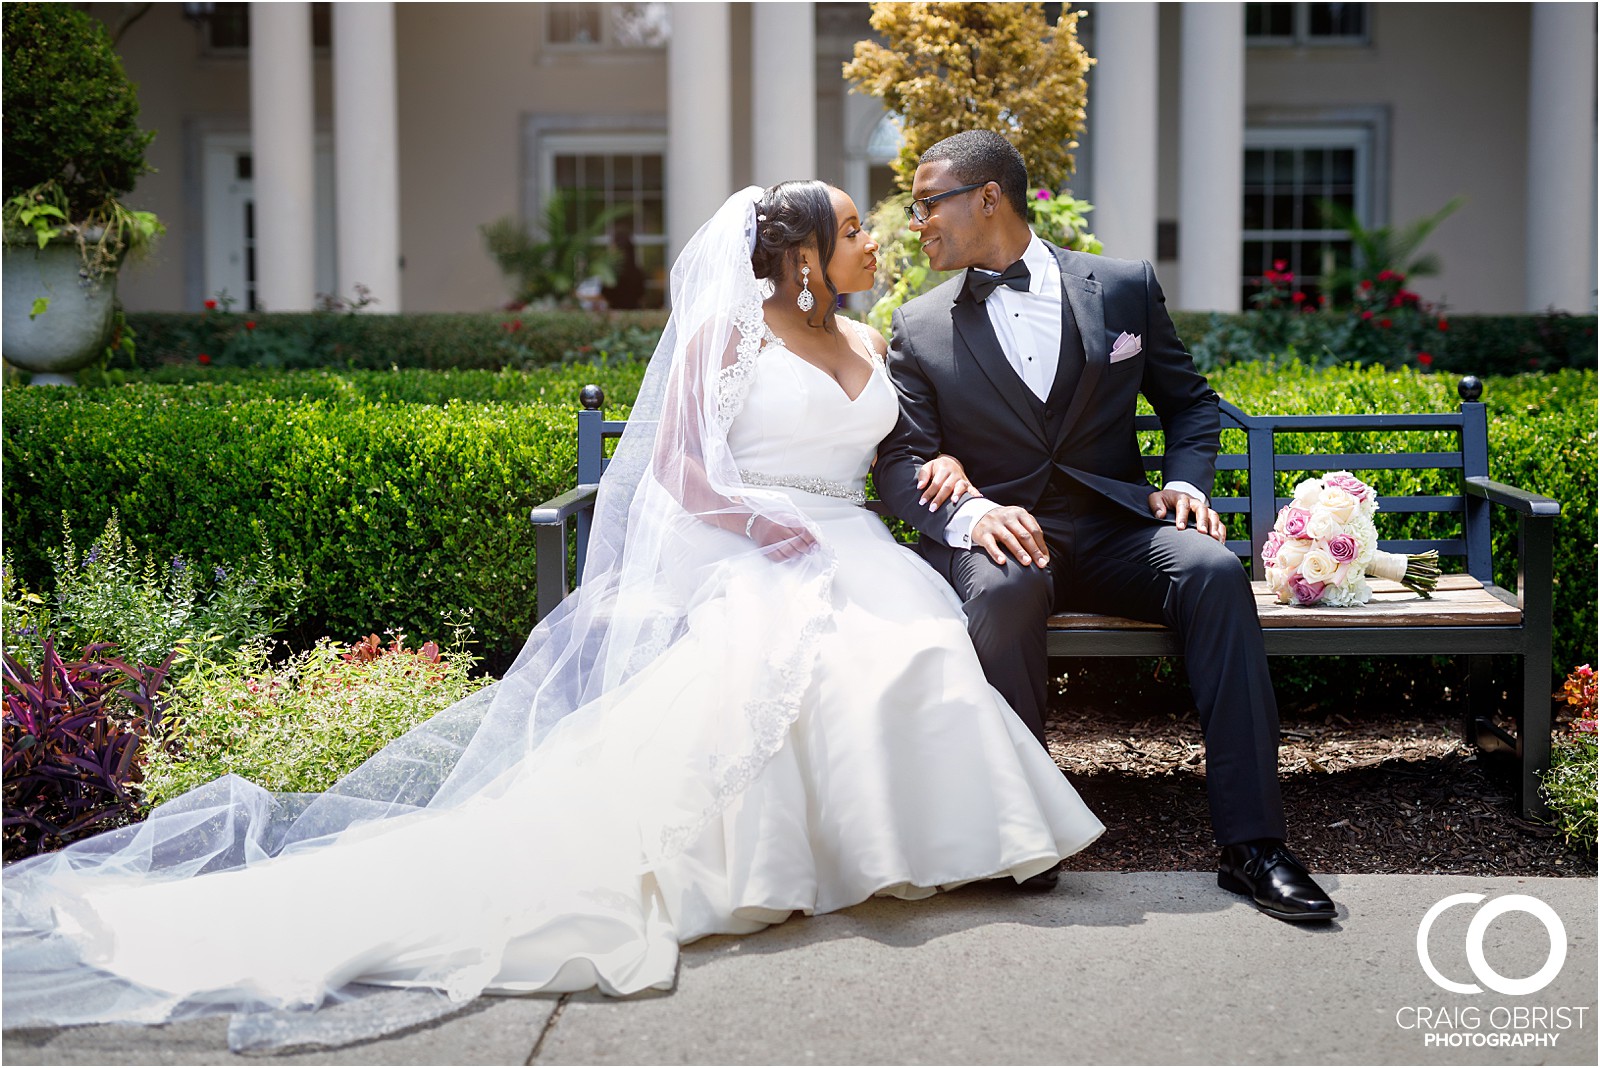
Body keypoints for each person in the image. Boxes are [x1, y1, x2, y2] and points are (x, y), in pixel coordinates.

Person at [1, 182, 1102, 1052]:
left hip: (854, 541)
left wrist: (949, 473)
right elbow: (679, 465)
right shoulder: (732, 336)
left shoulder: (872, 346)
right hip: (753, 546)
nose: (879, 245)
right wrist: (765, 531)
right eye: (859, 230)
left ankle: (941, 846)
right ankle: (763, 863)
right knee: (779, 667)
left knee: (912, 646)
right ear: (806, 258)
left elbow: (906, 444)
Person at [873, 130, 1336, 924]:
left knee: (1215, 572)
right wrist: (975, 512)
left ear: (989, 197)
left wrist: (1186, 482)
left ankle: (1255, 846)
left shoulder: (1122, 288)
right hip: (1006, 540)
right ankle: (1020, 833)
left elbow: (1189, 403)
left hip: (1120, 528)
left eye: (927, 203)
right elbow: (901, 462)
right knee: (1006, 591)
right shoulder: (918, 329)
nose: (916, 222)